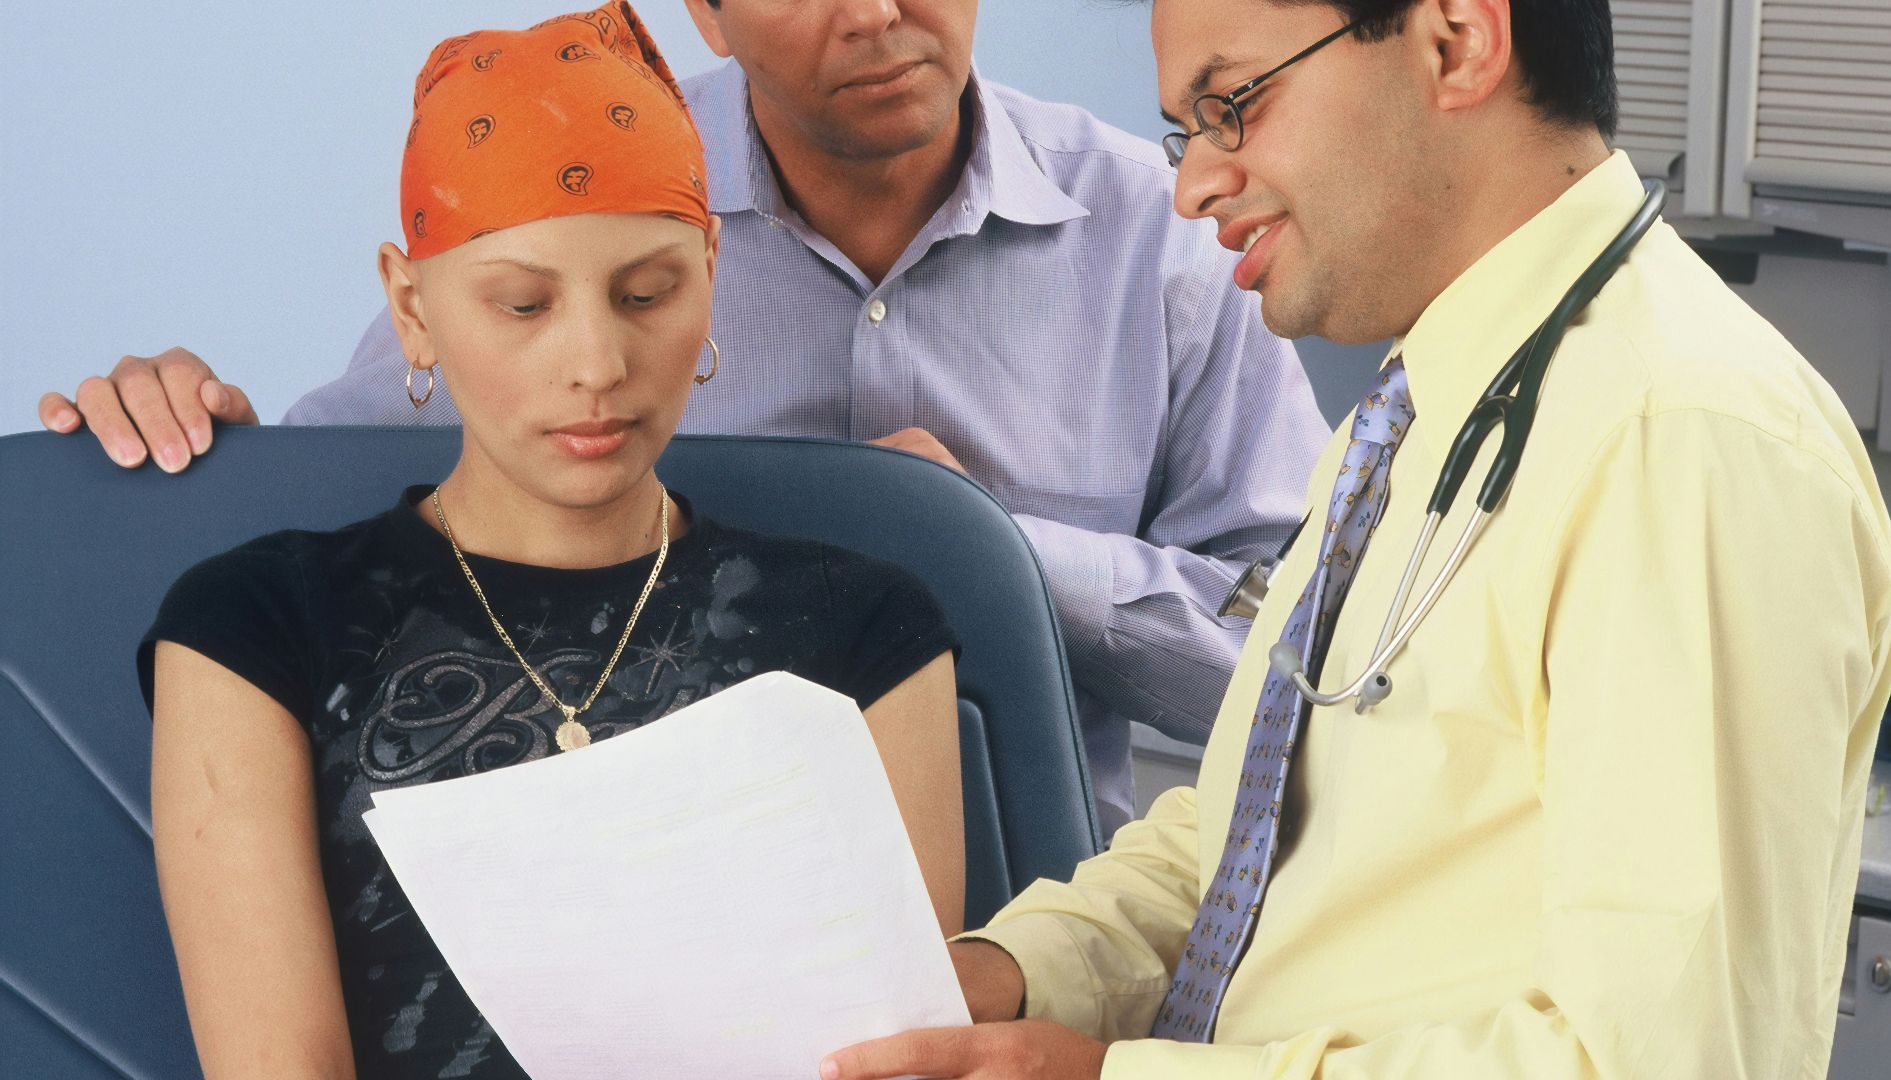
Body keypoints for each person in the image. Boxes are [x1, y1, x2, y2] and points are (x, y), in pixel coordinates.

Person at [819, 1, 1891, 1077]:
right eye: (1186, 131)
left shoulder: (1681, 439)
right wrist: (1016, 972)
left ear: (1457, 44)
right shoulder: (1422, 404)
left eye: (1231, 104)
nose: (1192, 187)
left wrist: (1111, 1079)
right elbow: (1262, 819)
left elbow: (1665, 1063)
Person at [40, 0, 1333, 836]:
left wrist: (981, 547)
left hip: (1042, 910)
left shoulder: (1169, 235)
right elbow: (337, 497)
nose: (879, 13)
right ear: (705, 12)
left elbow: (1311, 671)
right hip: (608, 868)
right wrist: (201, 441)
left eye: (649, 297)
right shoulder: (592, 189)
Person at [141, 9, 962, 1076]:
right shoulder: (255, 627)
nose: (598, 364)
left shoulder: (865, 627)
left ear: (710, 272)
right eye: (524, 305)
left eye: (648, 294)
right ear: (412, 308)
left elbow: (898, 1054)